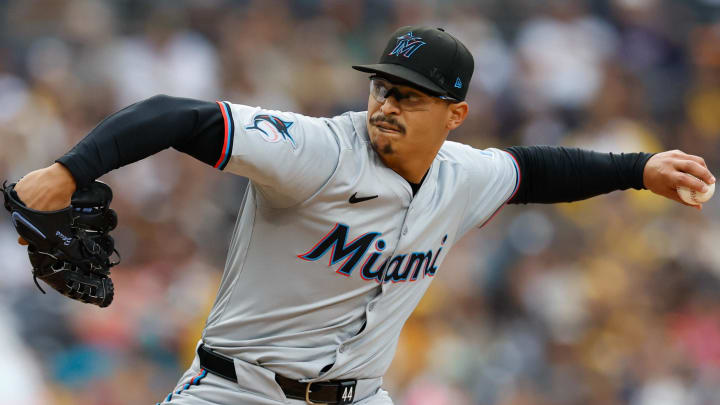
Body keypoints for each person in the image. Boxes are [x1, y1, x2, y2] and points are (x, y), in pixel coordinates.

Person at [9, 26, 714, 405]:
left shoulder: (464, 175)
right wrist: (70, 169)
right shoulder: (318, 150)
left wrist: (638, 170)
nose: (386, 104)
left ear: (454, 114)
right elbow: (177, 115)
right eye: (383, 87)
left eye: (410, 95)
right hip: (235, 392)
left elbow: (537, 170)